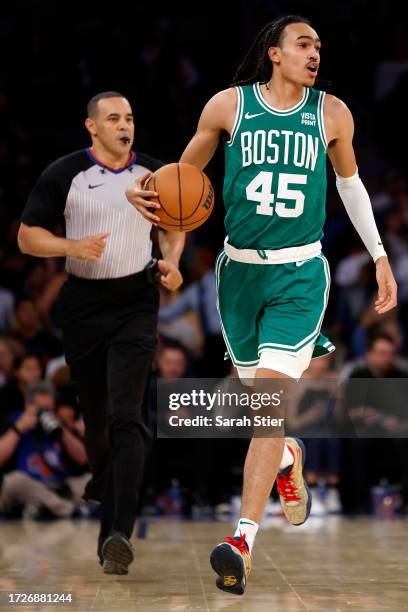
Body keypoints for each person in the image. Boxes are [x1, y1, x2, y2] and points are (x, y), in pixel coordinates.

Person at [126, 15, 398, 595]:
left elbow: (351, 187)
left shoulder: (333, 113)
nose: (315, 52)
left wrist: (378, 254)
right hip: (237, 275)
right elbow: (180, 181)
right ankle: (286, 459)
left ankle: (242, 540)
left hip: (299, 273)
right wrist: (146, 196)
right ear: (274, 53)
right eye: (304, 44)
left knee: (267, 404)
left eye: (319, 46)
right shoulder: (228, 106)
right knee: (262, 415)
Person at [17, 91, 185, 575]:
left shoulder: (155, 174)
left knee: (126, 415)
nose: (123, 125)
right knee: (95, 419)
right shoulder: (66, 172)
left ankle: (117, 534)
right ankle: (101, 478)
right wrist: (72, 245)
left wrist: (171, 262)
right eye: (113, 118)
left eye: (129, 117)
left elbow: (177, 225)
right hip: (84, 303)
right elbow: (28, 236)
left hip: (137, 300)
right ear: (92, 127)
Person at [0, 381, 88, 519]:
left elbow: (82, 458)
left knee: (90, 480)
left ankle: (47, 507)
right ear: (28, 406)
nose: (45, 415)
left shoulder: (57, 423)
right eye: (42, 410)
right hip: (28, 486)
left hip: (59, 487)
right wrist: (18, 429)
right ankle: (69, 510)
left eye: (49, 409)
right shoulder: (13, 421)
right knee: (13, 481)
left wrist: (61, 431)